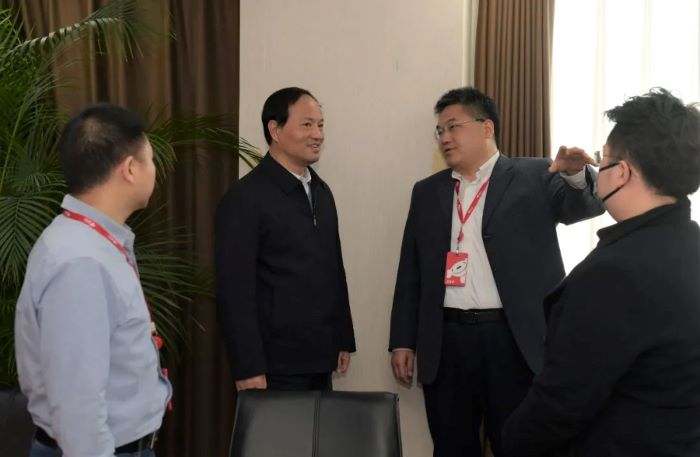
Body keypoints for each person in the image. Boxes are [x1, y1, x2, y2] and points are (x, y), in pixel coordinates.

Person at [389, 86, 605, 456]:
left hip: (512, 340)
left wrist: (574, 176)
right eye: (439, 130)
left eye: (453, 127)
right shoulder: (427, 192)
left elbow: (581, 208)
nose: (444, 137)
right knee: (451, 446)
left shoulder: (535, 174)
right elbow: (411, 271)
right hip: (446, 341)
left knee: (518, 444)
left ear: (486, 127)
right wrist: (403, 340)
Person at [501, 88, 700, 456]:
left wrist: (511, 442)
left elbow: (561, 404)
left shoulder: (615, 273)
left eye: (602, 159)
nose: (599, 169)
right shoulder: (689, 246)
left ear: (621, 173)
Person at [15, 104, 172, 457]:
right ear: (129, 169)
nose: (155, 170)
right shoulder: (81, 261)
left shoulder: (91, 242)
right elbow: (78, 409)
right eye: (150, 160)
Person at [215, 87, 355, 392]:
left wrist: (343, 338)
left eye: (321, 125)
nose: (318, 134)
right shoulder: (244, 198)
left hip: (320, 357)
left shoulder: (321, 192)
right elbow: (234, 292)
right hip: (273, 365)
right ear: (275, 130)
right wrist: (248, 366)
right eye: (307, 124)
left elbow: (334, 270)